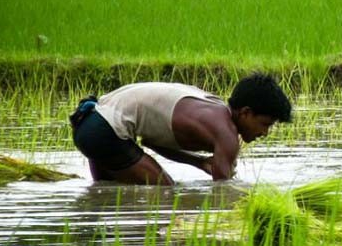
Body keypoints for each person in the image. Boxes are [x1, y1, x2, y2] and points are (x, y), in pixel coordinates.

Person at [69, 73, 292, 185]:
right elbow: (223, 191)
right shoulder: (227, 134)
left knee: (105, 196)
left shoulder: (209, 107)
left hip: (89, 123)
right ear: (245, 113)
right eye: (265, 124)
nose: (265, 133)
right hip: (106, 130)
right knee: (166, 191)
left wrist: (199, 162)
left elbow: (151, 142)